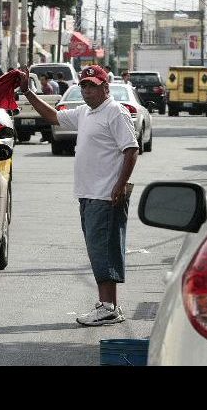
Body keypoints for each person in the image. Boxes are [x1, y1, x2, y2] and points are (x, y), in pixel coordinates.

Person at [18, 65, 139, 326]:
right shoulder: (85, 112)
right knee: (98, 250)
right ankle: (108, 305)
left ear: (105, 87)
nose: (86, 90)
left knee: (103, 249)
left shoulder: (115, 112)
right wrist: (28, 93)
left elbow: (131, 150)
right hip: (88, 193)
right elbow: (53, 117)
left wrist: (120, 185)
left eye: (92, 85)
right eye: (83, 85)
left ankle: (108, 307)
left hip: (106, 194)